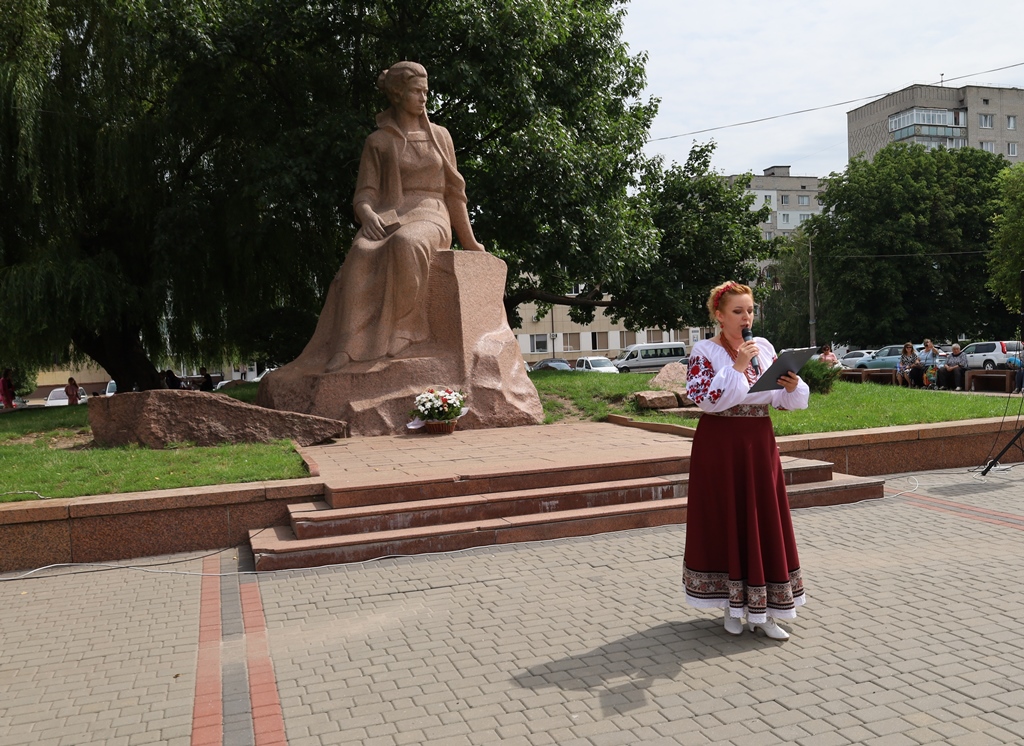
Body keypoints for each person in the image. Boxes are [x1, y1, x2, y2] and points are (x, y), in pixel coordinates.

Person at [306, 61, 485, 370]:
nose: (424, 98)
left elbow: (455, 193)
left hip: (432, 213)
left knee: (407, 243)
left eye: (426, 92)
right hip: (389, 214)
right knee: (360, 253)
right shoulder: (378, 141)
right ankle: (348, 346)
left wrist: (469, 241)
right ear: (398, 94)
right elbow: (365, 194)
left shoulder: (441, 137)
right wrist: (367, 215)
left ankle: (408, 329)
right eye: (416, 91)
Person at [684, 281, 810, 641]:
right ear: (720, 316)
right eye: (738, 311)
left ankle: (765, 611)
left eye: (750, 310)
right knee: (727, 519)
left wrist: (790, 387)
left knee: (763, 518)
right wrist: (737, 367)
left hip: (758, 442)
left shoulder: (764, 348)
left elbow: (777, 398)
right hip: (720, 445)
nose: (746, 318)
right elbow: (705, 398)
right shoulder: (704, 351)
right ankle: (731, 606)